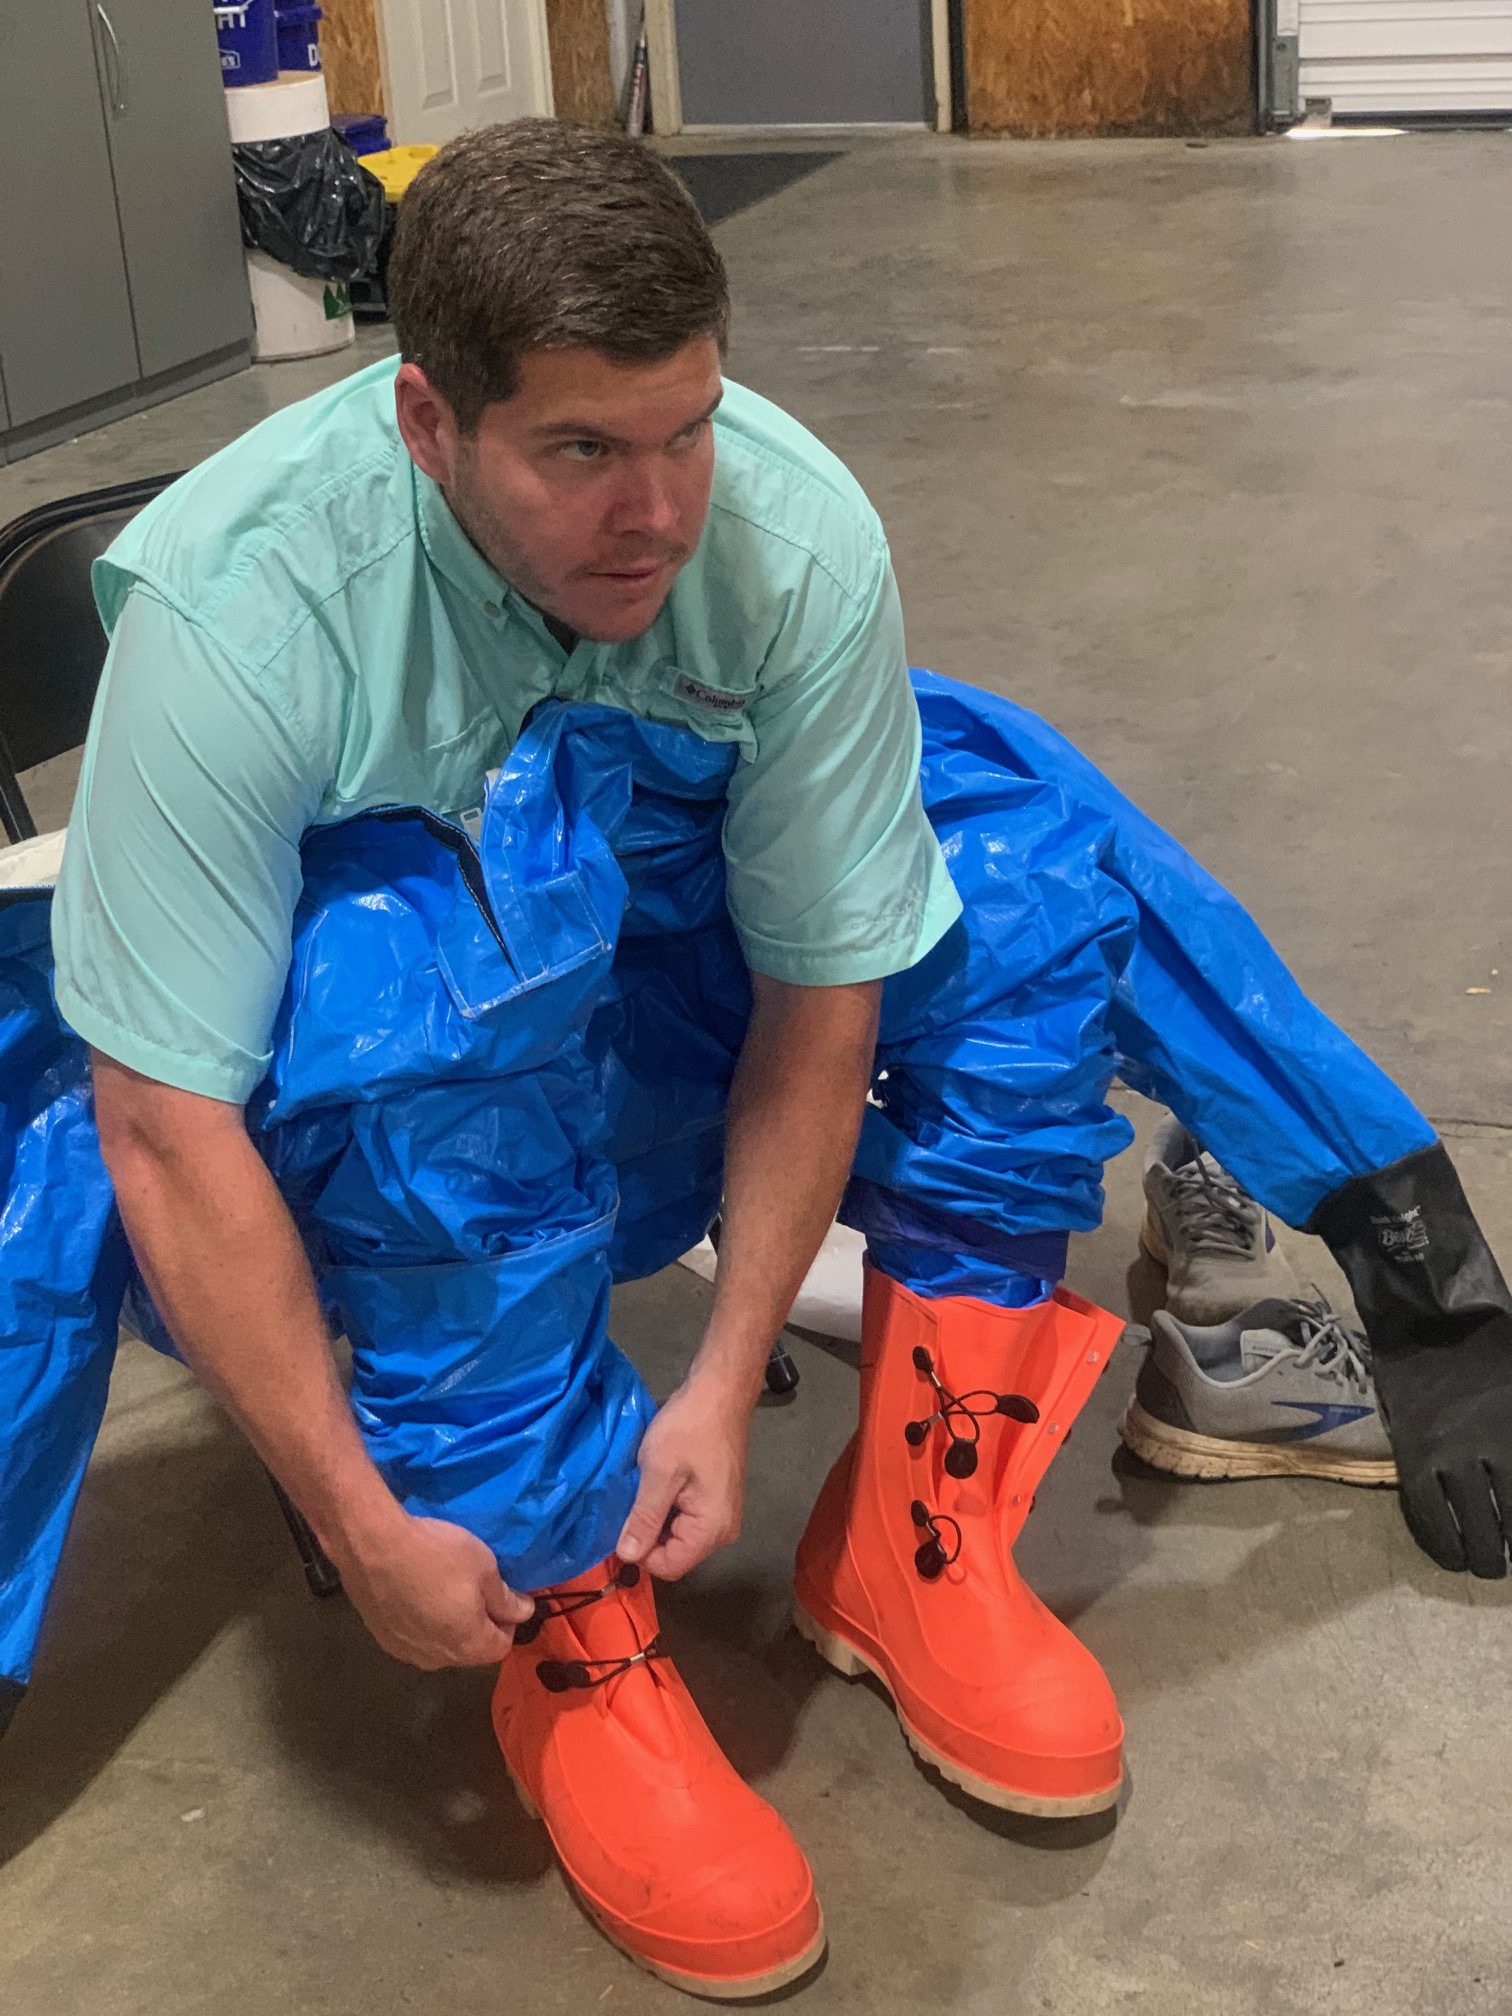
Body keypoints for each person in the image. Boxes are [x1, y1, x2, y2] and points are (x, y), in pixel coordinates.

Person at [33, 117, 1511, 2001]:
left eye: (689, 430)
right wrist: (349, 1508)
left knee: (1023, 874)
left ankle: (917, 1535)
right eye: (583, 451)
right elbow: (161, 1123)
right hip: (364, 1130)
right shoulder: (242, 617)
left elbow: (825, 988)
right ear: (427, 424)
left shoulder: (790, 537)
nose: (658, 512)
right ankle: (567, 1620)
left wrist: (726, 1379)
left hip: (659, 1002)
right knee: (422, 966)